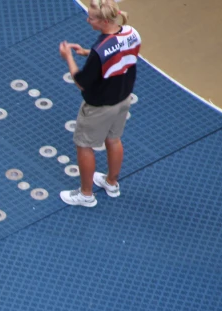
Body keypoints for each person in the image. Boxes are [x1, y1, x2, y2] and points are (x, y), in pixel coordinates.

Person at [58, 0, 141, 207]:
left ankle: (86, 195)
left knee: (84, 145)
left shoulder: (100, 51)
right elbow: (121, 54)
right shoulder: (132, 32)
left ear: (104, 21)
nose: (88, 20)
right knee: (114, 139)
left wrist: (68, 57)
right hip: (123, 99)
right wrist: (89, 53)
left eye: (91, 18)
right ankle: (111, 183)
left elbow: (81, 82)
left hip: (99, 106)